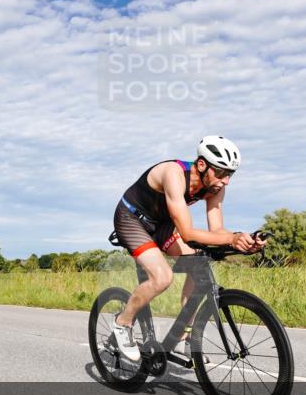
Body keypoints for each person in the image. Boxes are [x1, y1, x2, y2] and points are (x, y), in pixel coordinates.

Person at [111, 135, 265, 361]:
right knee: (162, 277)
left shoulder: (215, 187)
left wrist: (244, 240)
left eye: (230, 174)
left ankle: (182, 337)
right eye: (221, 172)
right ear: (202, 165)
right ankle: (122, 323)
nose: (226, 180)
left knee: (197, 264)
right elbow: (188, 233)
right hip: (132, 219)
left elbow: (218, 231)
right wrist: (231, 239)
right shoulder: (173, 174)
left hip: (162, 224)